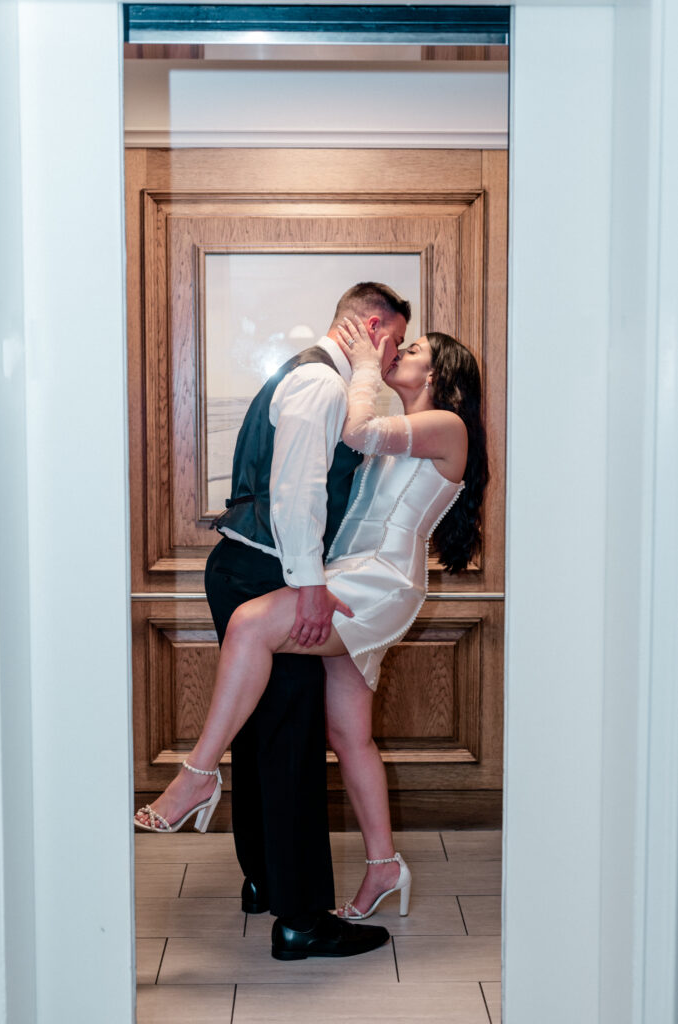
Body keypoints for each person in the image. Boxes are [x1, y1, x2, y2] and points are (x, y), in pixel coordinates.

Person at [136, 308, 489, 949]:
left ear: (440, 373)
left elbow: (357, 432)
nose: (394, 356)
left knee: (249, 624)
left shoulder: (447, 424)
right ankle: (383, 865)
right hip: (354, 572)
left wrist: (357, 370)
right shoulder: (415, 425)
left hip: (378, 582)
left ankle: (199, 772)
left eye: (410, 351)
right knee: (347, 733)